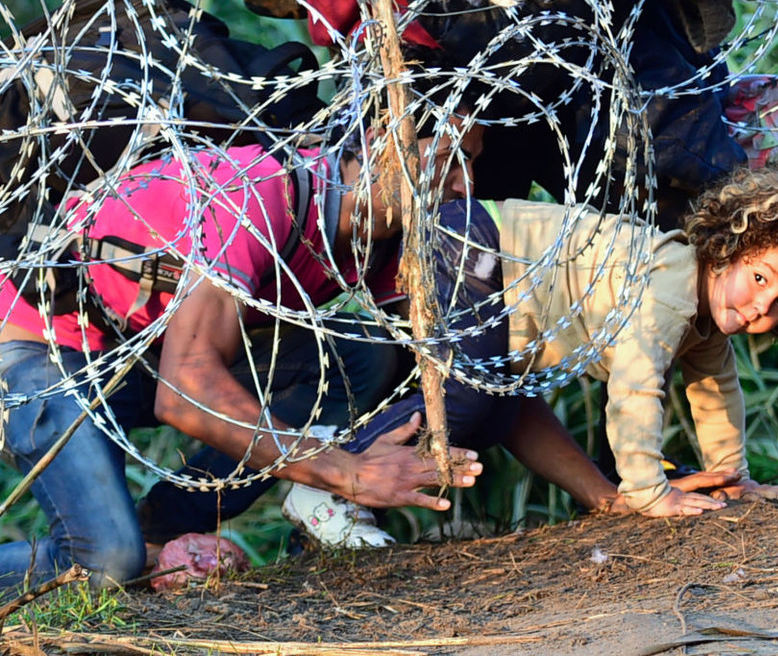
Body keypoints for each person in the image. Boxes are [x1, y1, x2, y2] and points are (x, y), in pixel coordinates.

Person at [0, 110, 486, 594]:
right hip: (36, 349)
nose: (465, 186)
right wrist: (347, 471)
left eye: (474, 164)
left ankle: (161, 530)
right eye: (453, 158)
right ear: (383, 138)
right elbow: (184, 393)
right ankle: (130, 552)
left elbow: (461, 360)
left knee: (361, 357)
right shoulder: (257, 193)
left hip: (135, 351)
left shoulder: (374, 245)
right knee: (107, 562)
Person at [343, 161, 778, 515]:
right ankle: (335, 470)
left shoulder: (706, 318)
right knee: (463, 402)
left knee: (494, 411)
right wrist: (649, 492)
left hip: (491, 270)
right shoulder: (672, 287)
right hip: (475, 246)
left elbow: (717, 393)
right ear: (729, 248)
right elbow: (635, 388)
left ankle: (343, 474)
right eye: (760, 278)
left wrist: (734, 478)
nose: (762, 306)